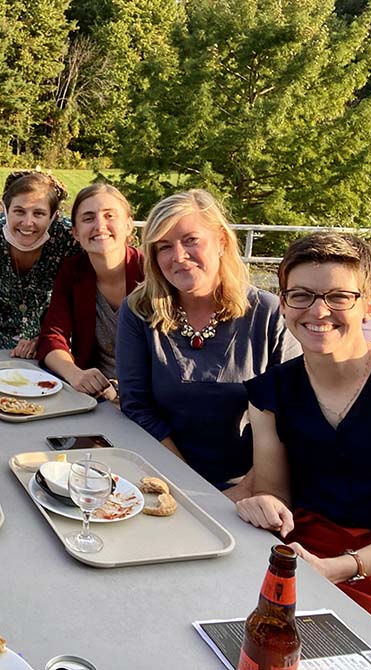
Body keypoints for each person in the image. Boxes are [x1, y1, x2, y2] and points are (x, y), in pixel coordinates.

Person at [237, 233, 371, 665]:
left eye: (337, 296)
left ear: (370, 304)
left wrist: (345, 567)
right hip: (308, 548)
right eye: (302, 295)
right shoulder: (269, 392)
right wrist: (260, 503)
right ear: (284, 302)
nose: (317, 311)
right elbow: (276, 495)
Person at [116, 189, 299, 495]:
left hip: (252, 486)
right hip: (159, 478)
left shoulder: (266, 313)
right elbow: (137, 406)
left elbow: (293, 414)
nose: (178, 256)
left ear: (222, 242)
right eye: (164, 246)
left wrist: (248, 490)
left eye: (191, 240)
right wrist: (187, 486)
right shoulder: (138, 312)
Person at [0, 170, 80, 357]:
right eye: (19, 211)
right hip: (4, 340)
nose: (27, 223)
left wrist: (47, 337)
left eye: (39, 213)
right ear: (5, 209)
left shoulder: (68, 238)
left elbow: (79, 297)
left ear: (53, 216)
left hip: (57, 341)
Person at [37, 183, 144, 398]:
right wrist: (75, 374)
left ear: (129, 225)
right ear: (75, 233)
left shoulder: (152, 271)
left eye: (109, 216)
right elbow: (52, 335)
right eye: (88, 218)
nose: (99, 225)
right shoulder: (72, 272)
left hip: (149, 398)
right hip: (97, 398)